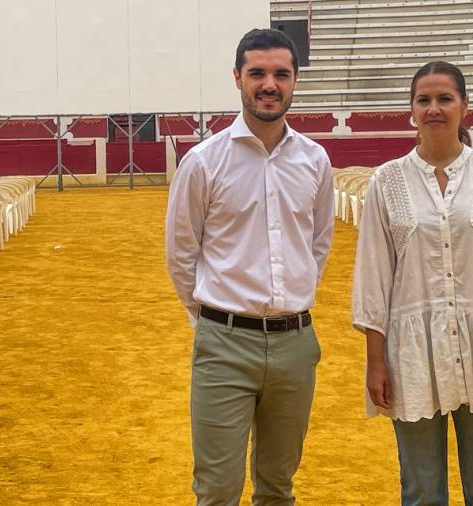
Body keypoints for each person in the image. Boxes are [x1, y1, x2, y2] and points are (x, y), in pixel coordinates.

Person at [352, 61, 473, 505]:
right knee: (420, 493)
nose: (434, 109)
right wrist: (375, 361)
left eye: (444, 99)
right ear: (412, 110)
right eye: (424, 100)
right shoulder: (386, 180)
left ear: (465, 107)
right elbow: (374, 275)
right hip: (411, 355)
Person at [165, 28, 334, 506]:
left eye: (281, 74)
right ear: (238, 77)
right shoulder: (202, 162)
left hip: (296, 345)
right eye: (257, 73)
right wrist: (212, 321)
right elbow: (181, 255)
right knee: (217, 490)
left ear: (295, 81)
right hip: (223, 344)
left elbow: (317, 244)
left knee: (278, 488)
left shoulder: (315, 161)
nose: (269, 84)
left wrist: (290, 300)